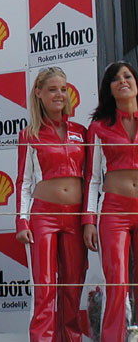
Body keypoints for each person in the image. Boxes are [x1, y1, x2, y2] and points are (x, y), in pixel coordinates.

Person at [15, 67, 87, 342]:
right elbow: (24, 181)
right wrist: (21, 221)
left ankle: (71, 338)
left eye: (63, 89)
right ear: (38, 93)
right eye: (52, 89)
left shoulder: (81, 132)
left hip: (75, 217)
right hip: (43, 216)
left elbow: (92, 178)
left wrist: (89, 219)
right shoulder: (29, 134)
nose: (59, 95)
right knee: (44, 288)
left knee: (73, 287)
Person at [83, 61, 138, 342]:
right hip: (114, 210)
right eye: (116, 79)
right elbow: (93, 179)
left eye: (127, 76)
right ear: (109, 89)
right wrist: (88, 220)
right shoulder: (98, 127)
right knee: (116, 281)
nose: (123, 81)